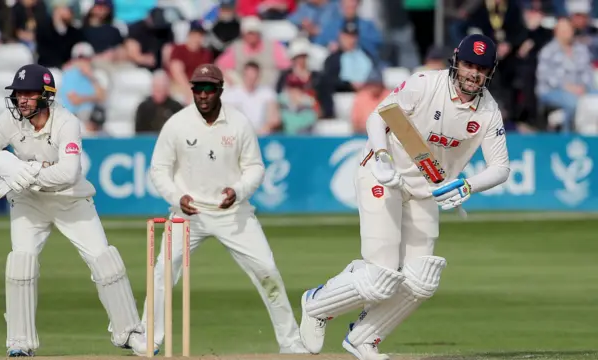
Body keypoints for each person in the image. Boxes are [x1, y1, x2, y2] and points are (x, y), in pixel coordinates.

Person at [298, 34, 510, 359]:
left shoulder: (488, 111)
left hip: (426, 188)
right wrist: (382, 157)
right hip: (383, 173)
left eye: (481, 68)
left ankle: (363, 338)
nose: (473, 74)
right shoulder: (424, 83)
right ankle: (316, 304)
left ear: (490, 72)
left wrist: (467, 186)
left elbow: (500, 168)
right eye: (469, 65)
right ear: (456, 61)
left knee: (422, 280)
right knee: (380, 277)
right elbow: (378, 117)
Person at [0, 64, 148, 357]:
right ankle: (19, 342)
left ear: (46, 96)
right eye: (18, 94)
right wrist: (4, 165)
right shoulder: (11, 122)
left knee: (105, 261)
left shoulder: (67, 122)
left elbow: (69, 173)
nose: (21, 100)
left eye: (29, 94)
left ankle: (129, 332)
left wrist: (29, 172)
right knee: (21, 264)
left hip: (70, 199)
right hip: (28, 201)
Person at [144, 63, 308, 354]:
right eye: (197, 89)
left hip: (233, 213)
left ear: (220, 90)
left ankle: (291, 342)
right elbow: (159, 169)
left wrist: (239, 191)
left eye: (209, 89)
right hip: (187, 214)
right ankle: (149, 338)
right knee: (162, 271)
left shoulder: (239, 123)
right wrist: (176, 197)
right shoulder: (178, 123)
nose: (203, 95)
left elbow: (255, 167)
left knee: (267, 270)